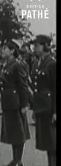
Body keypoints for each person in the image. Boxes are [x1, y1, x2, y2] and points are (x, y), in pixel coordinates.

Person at [0, 40, 30, 166]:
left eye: (5, 48)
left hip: (15, 102)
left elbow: (23, 86)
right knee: (12, 132)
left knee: (18, 132)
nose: (2, 50)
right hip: (8, 102)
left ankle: (18, 160)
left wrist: (24, 105)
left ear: (12, 50)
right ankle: (15, 159)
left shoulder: (17, 65)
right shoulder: (5, 64)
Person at [30, 35, 56, 166]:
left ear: (46, 46)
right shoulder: (36, 63)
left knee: (53, 143)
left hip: (50, 108)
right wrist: (34, 108)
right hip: (41, 107)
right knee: (47, 142)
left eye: (38, 45)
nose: (35, 48)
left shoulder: (52, 64)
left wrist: (56, 111)